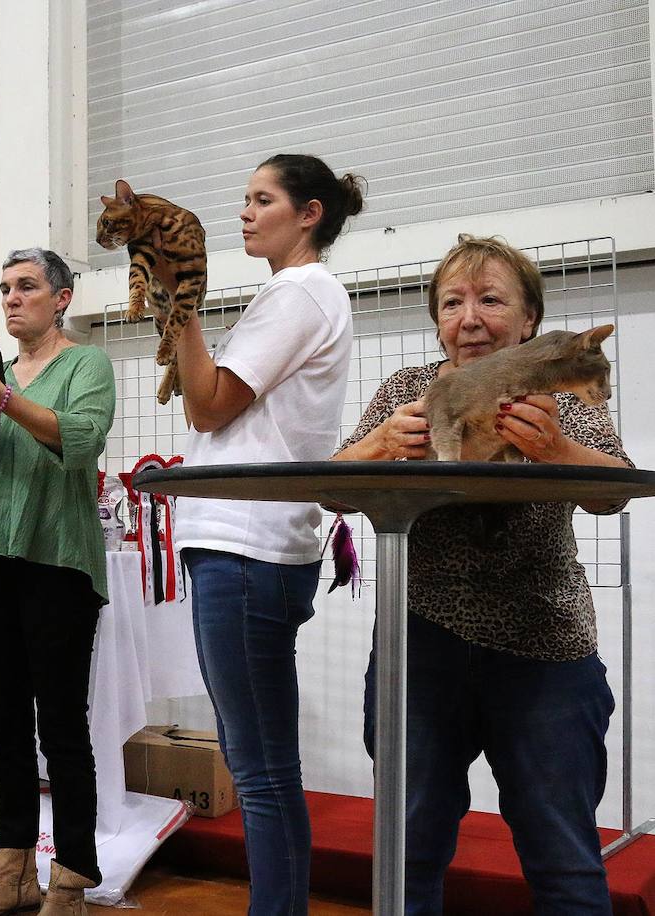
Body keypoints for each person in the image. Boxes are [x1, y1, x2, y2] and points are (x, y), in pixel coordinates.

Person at [334, 234, 630, 914]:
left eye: (491, 300)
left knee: (565, 865)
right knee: (407, 855)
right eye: (452, 303)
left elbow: (614, 488)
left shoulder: (555, 387)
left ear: (530, 322)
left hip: (545, 649)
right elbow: (336, 488)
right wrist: (381, 445)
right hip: (419, 649)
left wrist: (556, 449)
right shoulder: (410, 389)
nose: (468, 319)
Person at [170, 154, 364, 914]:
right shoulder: (291, 293)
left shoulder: (301, 291)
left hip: (250, 543)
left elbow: (209, 404)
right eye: (243, 199)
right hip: (246, 543)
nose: (244, 213)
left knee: (260, 768)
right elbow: (207, 405)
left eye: (262, 200)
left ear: (308, 212)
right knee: (258, 762)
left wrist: (179, 307)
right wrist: (178, 308)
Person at [0, 248, 116, 915]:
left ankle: (70, 881)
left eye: (28, 287)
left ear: (62, 298)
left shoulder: (85, 364)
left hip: (58, 564)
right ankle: (12, 874)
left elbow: (81, 442)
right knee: (4, 726)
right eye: (5, 288)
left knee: (61, 725)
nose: (12, 298)